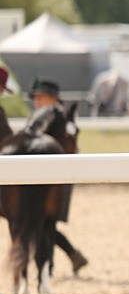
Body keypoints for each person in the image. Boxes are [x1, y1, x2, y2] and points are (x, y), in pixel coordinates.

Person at [27, 77, 88, 274]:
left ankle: (52, 263)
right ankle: (70, 256)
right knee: (44, 221)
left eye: (40, 98)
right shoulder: (47, 115)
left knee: (45, 220)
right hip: (48, 173)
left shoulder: (57, 115)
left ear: (51, 98)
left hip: (55, 175)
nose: (36, 102)